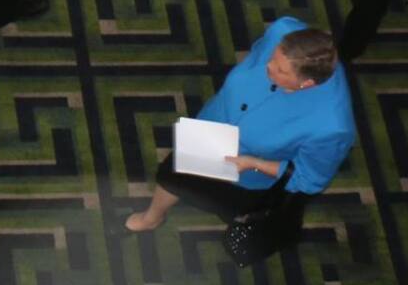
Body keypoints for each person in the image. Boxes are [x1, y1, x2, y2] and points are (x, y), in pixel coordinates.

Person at [126, 18, 353, 235]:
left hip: (246, 178)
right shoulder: (283, 30)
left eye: (281, 70)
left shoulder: (331, 126)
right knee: (172, 174)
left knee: (233, 211)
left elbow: (310, 178)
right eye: (273, 57)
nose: (269, 66)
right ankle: (152, 218)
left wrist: (255, 164)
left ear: (307, 83)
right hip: (207, 132)